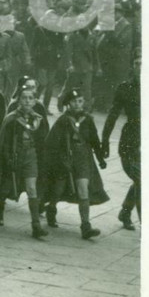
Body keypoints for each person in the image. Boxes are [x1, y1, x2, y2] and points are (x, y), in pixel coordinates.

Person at [43, 88, 109, 239]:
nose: (78, 104)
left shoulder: (88, 120)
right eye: (74, 102)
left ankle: (86, 226)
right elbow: (51, 143)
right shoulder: (63, 121)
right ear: (68, 104)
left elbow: (94, 141)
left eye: (80, 101)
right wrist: (59, 160)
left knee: (83, 189)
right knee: (58, 190)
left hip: (83, 159)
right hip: (65, 160)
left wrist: (100, 158)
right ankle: (51, 209)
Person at [0, 85, 50, 238]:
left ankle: (36, 225)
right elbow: (2, 142)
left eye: (31, 98)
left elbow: (43, 142)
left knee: (32, 188)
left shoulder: (38, 119)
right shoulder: (11, 118)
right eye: (24, 98)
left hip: (30, 156)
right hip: (13, 156)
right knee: (6, 187)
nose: (27, 101)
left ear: (35, 100)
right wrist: (5, 158)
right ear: (18, 100)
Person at [102, 49, 141, 230]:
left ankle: (126, 211)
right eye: (137, 63)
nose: (140, 67)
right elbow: (112, 115)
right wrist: (105, 140)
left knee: (142, 180)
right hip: (130, 140)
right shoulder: (125, 88)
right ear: (132, 66)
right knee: (142, 180)